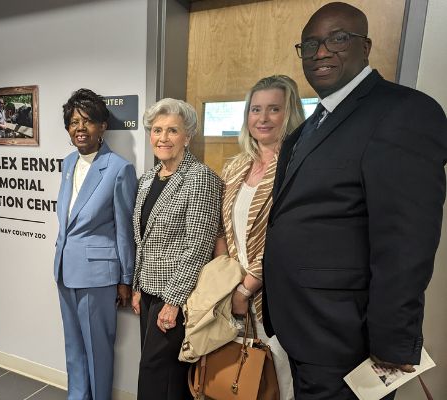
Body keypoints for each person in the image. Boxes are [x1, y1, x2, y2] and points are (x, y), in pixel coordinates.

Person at [263, 3, 447, 399]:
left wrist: (394, 342)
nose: (321, 52)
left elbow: (406, 241)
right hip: (301, 326)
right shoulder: (307, 128)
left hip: (347, 334)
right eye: (309, 44)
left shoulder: (403, 112)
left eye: (337, 39)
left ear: (366, 46)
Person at [214, 75, 305, 400]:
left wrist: (246, 287)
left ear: (290, 113)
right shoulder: (236, 165)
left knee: (279, 380)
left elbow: (287, 240)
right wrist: (228, 279)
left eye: (274, 109)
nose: (263, 118)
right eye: (255, 110)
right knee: (241, 378)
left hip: (276, 298)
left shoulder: (298, 166)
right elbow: (221, 227)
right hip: (234, 294)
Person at [132, 98, 223, 399]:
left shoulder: (201, 178)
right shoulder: (148, 178)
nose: (163, 138)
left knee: (159, 373)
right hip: (148, 291)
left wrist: (172, 302)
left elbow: (198, 244)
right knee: (157, 371)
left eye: (172, 130)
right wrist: (137, 286)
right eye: (157, 130)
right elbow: (143, 239)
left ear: (188, 135)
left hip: (176, 296)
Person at [54, 88, 137, 400]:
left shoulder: (118, 168)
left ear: (103, 126)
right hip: (64, 269)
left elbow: (124, 229)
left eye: (88, 121)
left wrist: (125, 279)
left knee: (98, 350)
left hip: (98, 276)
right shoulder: (66, 164)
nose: (80, 128)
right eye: (74, 122)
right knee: (73, 346)